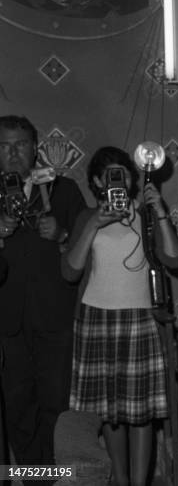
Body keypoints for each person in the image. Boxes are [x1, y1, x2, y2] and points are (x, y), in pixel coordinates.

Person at [62, 146, 178, 486]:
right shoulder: (88, 216)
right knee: (110, 414)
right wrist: (94, 225)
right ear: (99, 181)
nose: (120, 179)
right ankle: (122, 478)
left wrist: (158, 209)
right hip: (96, 320)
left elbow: (174, 260)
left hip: (140, 321)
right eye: (111, 174)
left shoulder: (144, 214)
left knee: (141, 414)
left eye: (124, 172)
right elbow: (70, 272)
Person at [0, 115, 86, 465]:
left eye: (19, 145)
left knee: (56, 403)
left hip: (55, 315)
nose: (12, 153)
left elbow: (88, 248)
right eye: (4, 146)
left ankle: (55, 475)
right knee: (18, 405)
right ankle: (31, 475)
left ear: (35, 148)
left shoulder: (64, 189)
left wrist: (63, 234)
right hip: (8, 318)